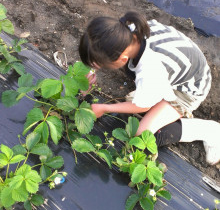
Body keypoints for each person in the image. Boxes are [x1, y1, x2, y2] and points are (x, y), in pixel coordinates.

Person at [79, 11, 220, 165]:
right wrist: (92, 72)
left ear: (122, 59)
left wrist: (104, 108)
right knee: (136, 100)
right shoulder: (127, 30)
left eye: (102, 64)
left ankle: (210, 131)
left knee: (141, 136)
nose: (99, 67)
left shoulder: (151, 69)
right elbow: (101, 47)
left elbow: (141, 105)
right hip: (179, 66)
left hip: (188, 89)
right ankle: (155, 96)